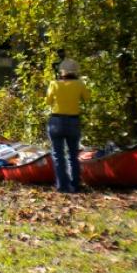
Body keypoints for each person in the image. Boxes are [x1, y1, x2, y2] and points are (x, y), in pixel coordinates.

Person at [46, 58, 90, 193]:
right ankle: (75, 185)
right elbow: (87, 98)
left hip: (56, 120)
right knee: (73, 154)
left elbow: (48, 101)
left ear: (62, 71)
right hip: (73, 121)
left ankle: (62, 186)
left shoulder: (54, 83)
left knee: (58, 155)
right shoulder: (80, 84)